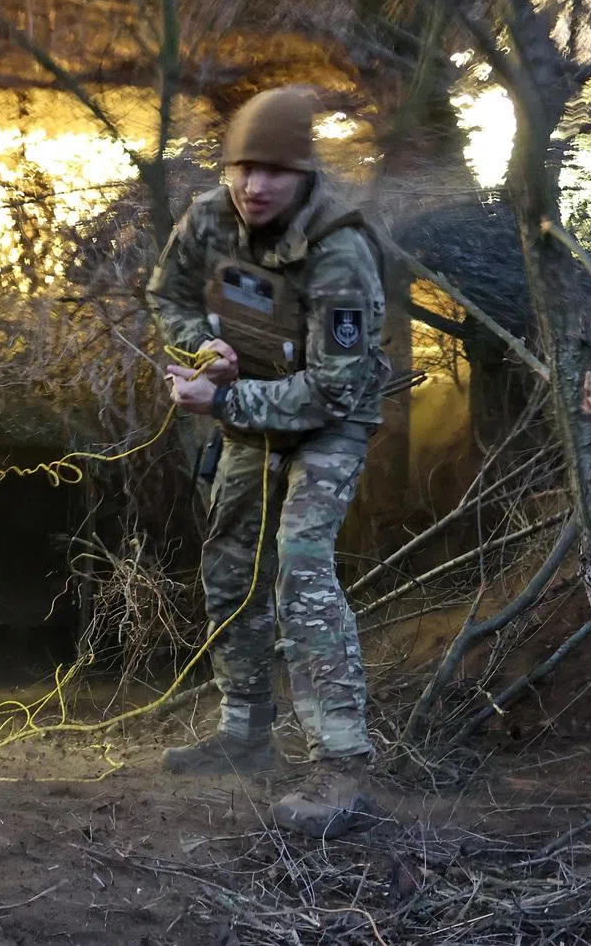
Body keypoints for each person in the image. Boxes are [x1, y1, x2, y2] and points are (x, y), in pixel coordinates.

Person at [146, 85, 390, 836]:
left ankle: (341, 767)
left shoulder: (341, 252)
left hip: (328, 424)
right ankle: (244, 733)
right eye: (242, 167)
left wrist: (222, 406)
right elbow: (167, 294)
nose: (254, 186)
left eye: (274, 171)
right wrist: (202, 350)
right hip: (248, 406)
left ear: (304, 172)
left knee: (301, 562)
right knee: (229, 562)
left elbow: (334, 390)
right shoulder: (211, 218)